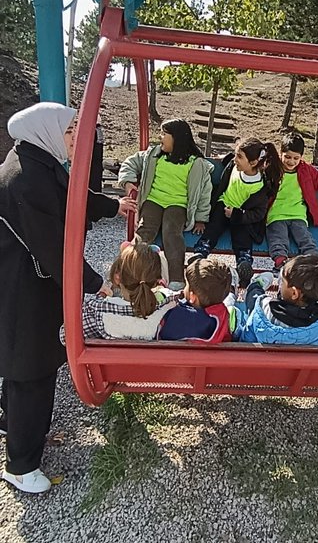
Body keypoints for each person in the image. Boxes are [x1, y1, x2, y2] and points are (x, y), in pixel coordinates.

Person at [0, 102, 137, 494]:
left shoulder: (35, 162)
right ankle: (21, 466)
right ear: (45, 129)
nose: (75, 135)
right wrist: (95, 284)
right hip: (24, 289)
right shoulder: (26, 180)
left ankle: (12, 422)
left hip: (26, 284)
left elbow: (74, 196)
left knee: (19, 364)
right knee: (31, 370)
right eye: (69, 128)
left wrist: (114, 205)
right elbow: (54, 247)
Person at [118, 118, 214, 292]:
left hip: (178, 204)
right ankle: (131, 269)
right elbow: (130, 163)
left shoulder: (196, 163)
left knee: (172, 231)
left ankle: (176, 279)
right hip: (153, 199)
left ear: (177, 138)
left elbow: (204, 193)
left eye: (164, 134)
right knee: (146, 229)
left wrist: (201, 218)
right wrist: (127, 181)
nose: (160, 137)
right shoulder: (153, 154)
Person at [190, 137, 283, 288]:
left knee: (242, 233)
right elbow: (230, 160)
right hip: (224, 203)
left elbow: (258, 214)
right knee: (215, 225)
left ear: (253, 163)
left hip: (241, 214)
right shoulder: (234, 166)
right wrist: (226, 157)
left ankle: (244, 261)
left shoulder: (260, 186)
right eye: (235, 155)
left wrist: (237, 215)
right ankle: (202, 250)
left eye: (239, 157)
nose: (235, 159)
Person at [266, 133, 318, 274]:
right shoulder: (273, 168)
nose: (291, 161)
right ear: (280, 153)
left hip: (297, 214)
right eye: (287, 157)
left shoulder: (305, 170)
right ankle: (280, 262)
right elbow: (254, 167)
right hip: (276, 214)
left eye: (296, 158)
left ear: (301, 157)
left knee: (305, 238)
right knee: (278, 237)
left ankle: (314, 263)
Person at [77, 242, 181, 341]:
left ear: (117, 277)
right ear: (156, 281)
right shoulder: (171, 306)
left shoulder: (96, 310)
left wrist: (100, 297)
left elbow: (65, 336)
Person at [158, 258, 236, 343]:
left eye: (186, 284)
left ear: (192, 296)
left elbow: (162, 333)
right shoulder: (223, 315)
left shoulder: (179, 317)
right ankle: (232, 292)